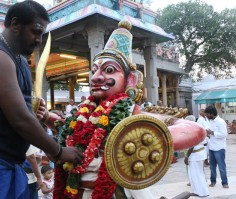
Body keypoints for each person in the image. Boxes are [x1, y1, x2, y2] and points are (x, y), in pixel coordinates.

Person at [37, 19, 206, 198]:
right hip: (75, 189)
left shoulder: (132, 114)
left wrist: (137, 137)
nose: (95, 78)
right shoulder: (83, 112)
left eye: (109, 70)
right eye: (94, 70)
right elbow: (66, 129)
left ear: (130, 80)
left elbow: (195, 130)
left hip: (111, 191)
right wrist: (45, 115)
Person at [0, 1, 83, 199]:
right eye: (35, 31)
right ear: (15, 25)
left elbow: (23, 111)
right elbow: (19, 118)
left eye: (42, 34)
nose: (39, 40)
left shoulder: (19, 60)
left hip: (10, 164)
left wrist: (43, 115)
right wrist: (59, 151)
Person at [184, 115, 209, 197]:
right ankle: (199, 191)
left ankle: (201, 192)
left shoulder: (193, 130)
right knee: (197, 174)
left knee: (196, 175)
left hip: (195, 155)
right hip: (200, 153)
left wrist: (187, 157)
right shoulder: (199, 128)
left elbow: (192, 145)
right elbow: (205, 142)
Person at [204, 106, 229, 188]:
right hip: (211, 147)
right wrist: (208, 134)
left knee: (221, 166)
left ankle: (225, 183)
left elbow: (224, 134)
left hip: (219, 148)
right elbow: (210, 133)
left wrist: (213, 133)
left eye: (207, 114)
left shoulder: (221, 122)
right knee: (212, 166)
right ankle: (213, 181)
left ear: (212, 114)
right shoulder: (210, 121)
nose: (206, 116)